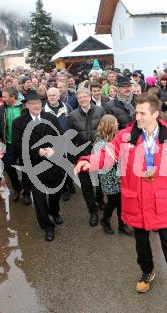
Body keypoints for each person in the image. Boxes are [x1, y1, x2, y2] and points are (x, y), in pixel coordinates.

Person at [75, 95, 167, 310]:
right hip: (136, 202)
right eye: (136, 113)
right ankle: (147, 271)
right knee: (141, 243)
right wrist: (88, 161)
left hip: (163, 203)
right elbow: (106, 155)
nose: (137, 117)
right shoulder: (125, 137)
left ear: (155, 114)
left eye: (142, 113)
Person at [12, 91, 64, 242]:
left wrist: (53, 149)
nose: (36, 106)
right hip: (34, 166)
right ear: (27, 105)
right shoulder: (18, 123)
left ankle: (54, 212)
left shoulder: (51, 118)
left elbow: (60, 137)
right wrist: (38, 151)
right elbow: (17, 146)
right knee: (40, 200)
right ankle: (47, 226)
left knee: (55, 195)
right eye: (33, 103)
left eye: (39, 103)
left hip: (54, 164)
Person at [68, 88, 105, 226]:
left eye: (85, 97)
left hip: (98, 153)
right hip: (82, 156)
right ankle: (92, 211)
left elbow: (105, 131)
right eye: (80, 98)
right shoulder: (72, 115)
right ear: (77, 100)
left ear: (90, 97)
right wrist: (73, 157)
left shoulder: (100, 111)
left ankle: (100, 201)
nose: (82, 99)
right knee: (86, 186)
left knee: (100, 181)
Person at [92, 115, 133, 236]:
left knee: (122, 202)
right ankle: (105, 221)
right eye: (115, 123)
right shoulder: (99, 141)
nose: (117, 125)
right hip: (109, 176)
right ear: (109, 125)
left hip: (121, 175)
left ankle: (122, 225)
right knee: (113, 202)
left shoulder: (118, 136)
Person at [0, 87, 31, 204]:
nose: (2, 99)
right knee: (9, 167)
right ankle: (17, 187)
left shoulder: (25, 108)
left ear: (13, 97)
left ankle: (26, 192)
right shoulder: (2, 108)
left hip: (24, 143)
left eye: (4, 97)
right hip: (8, 143)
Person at [43, 87, 74, 202]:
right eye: (49, 95)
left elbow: (72, 122)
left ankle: (69, 183)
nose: (51, 97)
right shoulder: (44, 110)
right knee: (59, 167)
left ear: (59, 96)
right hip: (53, 144)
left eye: (54, 95)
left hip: (67, 142)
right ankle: (64, 189)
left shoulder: (67, 107)